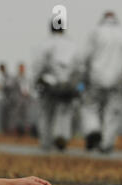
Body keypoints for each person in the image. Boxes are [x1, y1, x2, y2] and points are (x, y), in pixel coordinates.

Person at [81, 11, 122, 153]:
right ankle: (106, 144)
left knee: (90, 107)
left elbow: (86, 57)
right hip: (117, 80)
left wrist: (83, 78)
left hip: (95, 78)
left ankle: (93, 130)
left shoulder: (95, 33)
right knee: (112, 113)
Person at [33, 23, 83, 151]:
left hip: (49, 83)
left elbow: (38, 65)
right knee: (64, 113)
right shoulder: (73, 45)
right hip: (68, 85)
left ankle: (46, 142)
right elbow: (79, 67)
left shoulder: (45, 44)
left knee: (46, 114)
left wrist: (36, 82)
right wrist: (77, 86)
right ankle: (62, 136)